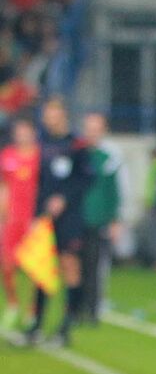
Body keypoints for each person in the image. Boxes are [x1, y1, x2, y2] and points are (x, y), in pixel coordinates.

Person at [24, 98, 91, 347]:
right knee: (40, 268)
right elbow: (37, 184)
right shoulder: (41, 146)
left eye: (53, 114)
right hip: (43, 218)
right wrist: (35, 215)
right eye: (46, 114)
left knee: (69, 265)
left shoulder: (77, 145)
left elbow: (85, 179)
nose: (48, 118)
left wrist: (64, 198)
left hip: (70, 217)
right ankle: (37, 324)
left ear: (63, 115)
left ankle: (66, 326)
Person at [78, 111, 122, 324]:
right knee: (75, 267)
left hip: (98, 221)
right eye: (89, 128)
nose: (92, 133)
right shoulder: (77, 154)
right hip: (76, 220)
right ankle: (75, 308)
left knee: (95, 267)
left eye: (96, 129)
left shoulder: (108, 159)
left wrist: (114, 219)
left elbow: (114, 192)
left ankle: (93, 310)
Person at [0, 116, 41, 332]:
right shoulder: (7, 155)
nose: (22, 135)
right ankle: (13, 304)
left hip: (32, 220)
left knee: (34, 266)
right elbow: (3, 186)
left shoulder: (40, 157)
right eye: (19, 131)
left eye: (26, 131)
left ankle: (32, 310)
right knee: (6, 264)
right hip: (12, 219)